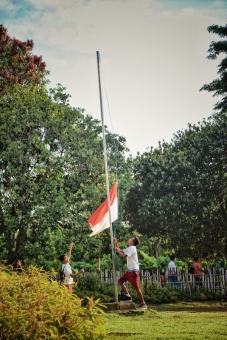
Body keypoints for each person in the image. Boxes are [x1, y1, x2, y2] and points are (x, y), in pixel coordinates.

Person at [113, 236, 147, 309]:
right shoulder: (129, 248)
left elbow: (123, 255)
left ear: (132, 242)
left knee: (137, 288)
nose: (129, 239)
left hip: (133, 271)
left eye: (130, 239)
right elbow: (121, 251)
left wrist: (117, 250)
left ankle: (143, 303)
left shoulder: (132, 248)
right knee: (121, 281)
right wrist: (116, 243)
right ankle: (128, 296)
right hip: (129, 271)